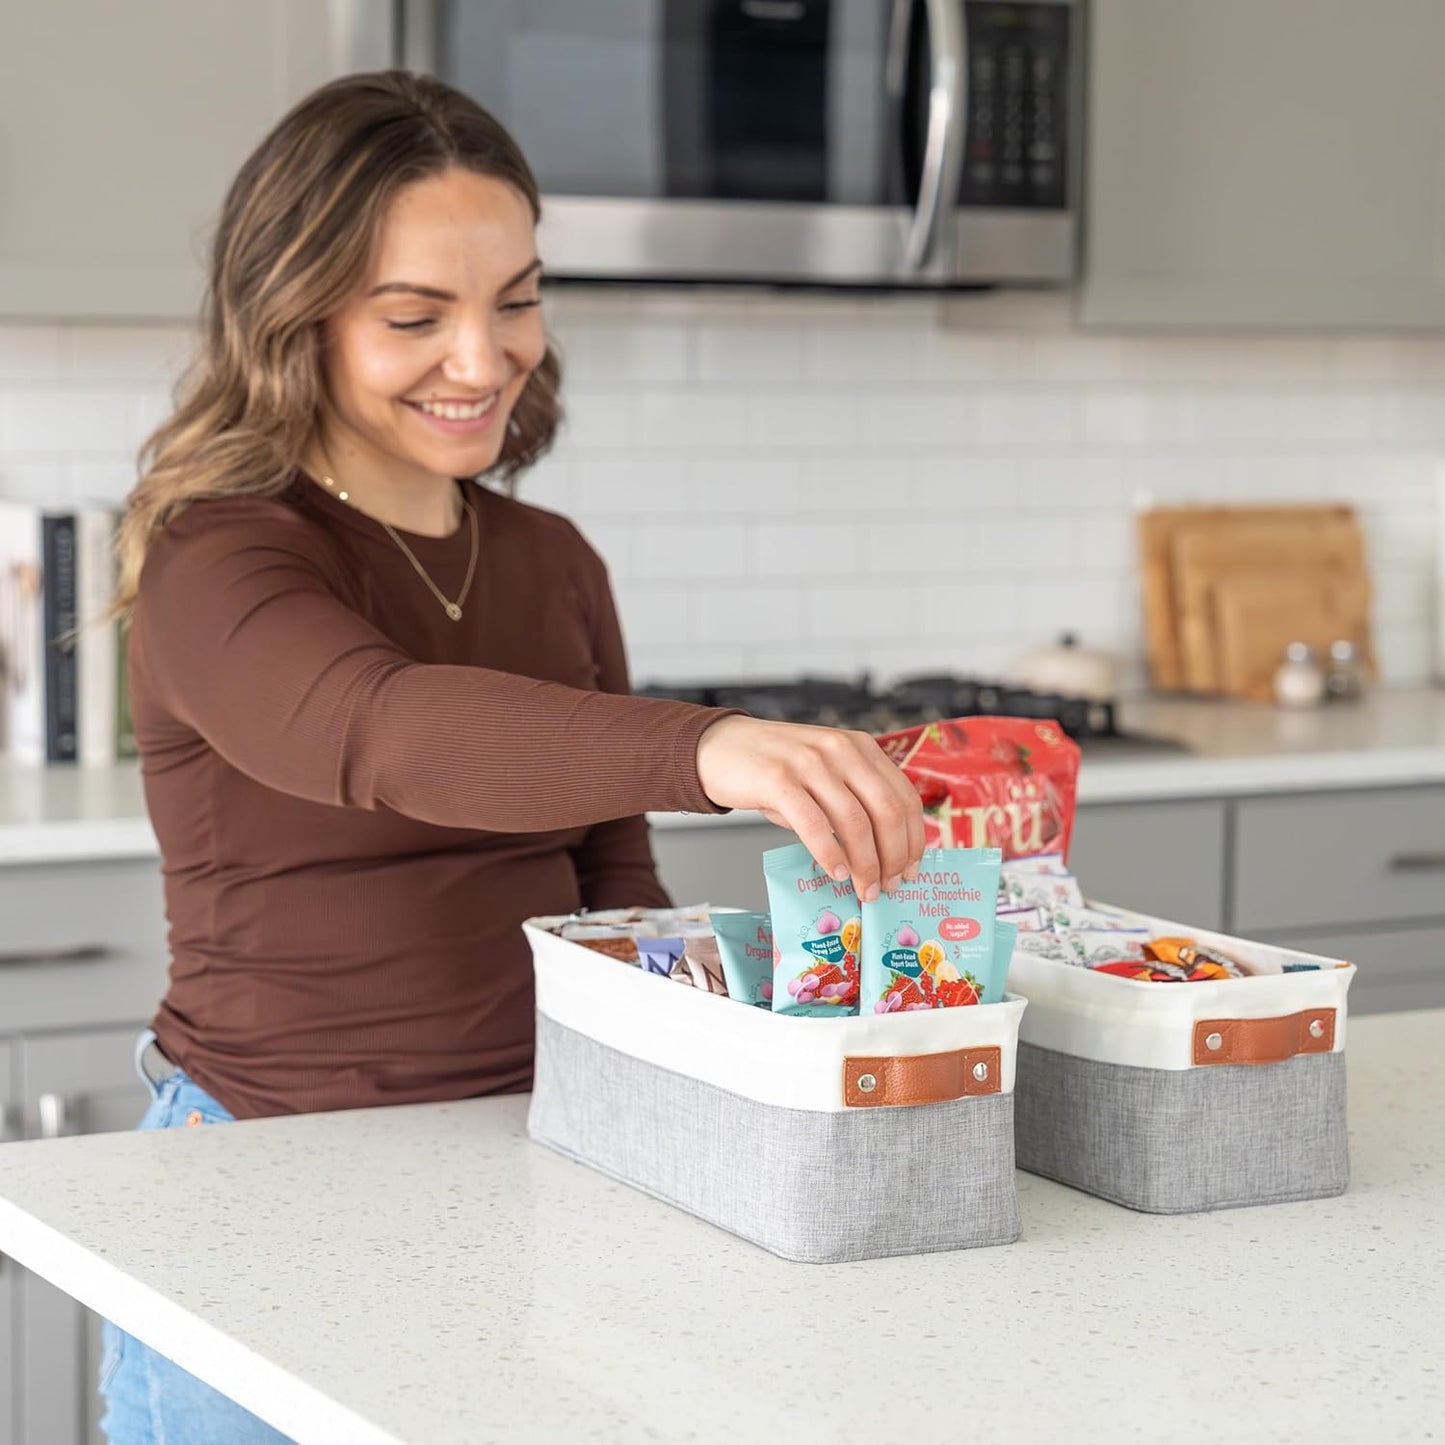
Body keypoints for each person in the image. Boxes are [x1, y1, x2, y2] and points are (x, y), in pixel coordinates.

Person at [96, 70, 923, 1442]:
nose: (482, 359)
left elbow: (614, 895)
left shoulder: (552, 561)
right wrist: (710, 742)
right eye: (415, 315)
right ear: (291, 315)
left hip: (536, 1180)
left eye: (517, 300)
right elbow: (379, 726)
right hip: (265, 1181)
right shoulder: (219, 552)